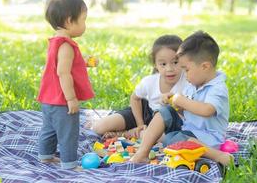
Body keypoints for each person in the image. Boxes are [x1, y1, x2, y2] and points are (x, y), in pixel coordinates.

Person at [131, 31, 233, 166]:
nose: (184, 74)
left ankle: (218, 156)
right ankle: (141, 154)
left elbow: (207, 110)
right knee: (164, 112)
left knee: (175, 139)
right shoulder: (193, 85)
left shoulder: (217, 88)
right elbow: (186, 112)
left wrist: (181, 100)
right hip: (188, 129)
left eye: (186, 69)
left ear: (205, 66)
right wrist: (175, 105)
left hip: (207, 139)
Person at [37, 0, 96, 170]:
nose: (85, 25)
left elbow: (62, 65)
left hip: (49, 98)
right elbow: (63, 73)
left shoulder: (56, 41)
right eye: (83, 19)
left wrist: (84, 62)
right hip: (62, 101)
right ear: (70, 20)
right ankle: (69, 164)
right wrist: (71, 98)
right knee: (68, 132)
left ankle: (45, 156)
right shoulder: (67, 45)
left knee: (49, 130)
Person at [92, 35, 188, 139]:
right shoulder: (150, 81)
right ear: (155, 64)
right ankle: (136, 131)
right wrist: (140, 124)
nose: (169, 69)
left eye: (175, 62)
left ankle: (125, 134)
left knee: (164, 139)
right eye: (163, 64)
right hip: (145, 111)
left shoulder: (189, 81)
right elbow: (135, 98)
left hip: (168, 120)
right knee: (99, 127)